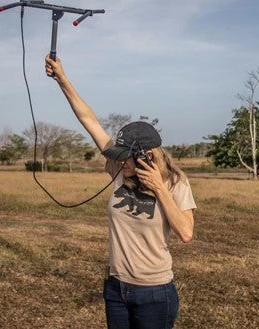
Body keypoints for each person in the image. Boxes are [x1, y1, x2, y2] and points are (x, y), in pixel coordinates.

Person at [45, 55, 196, 329]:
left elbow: (186, 233)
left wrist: (159, 189)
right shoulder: (119, 167)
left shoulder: (176, 183)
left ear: (147, 156)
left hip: (154, 291)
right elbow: (88, 120)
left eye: (126, 157)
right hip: (116, 288)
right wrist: (62, 79)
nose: (120, 162)